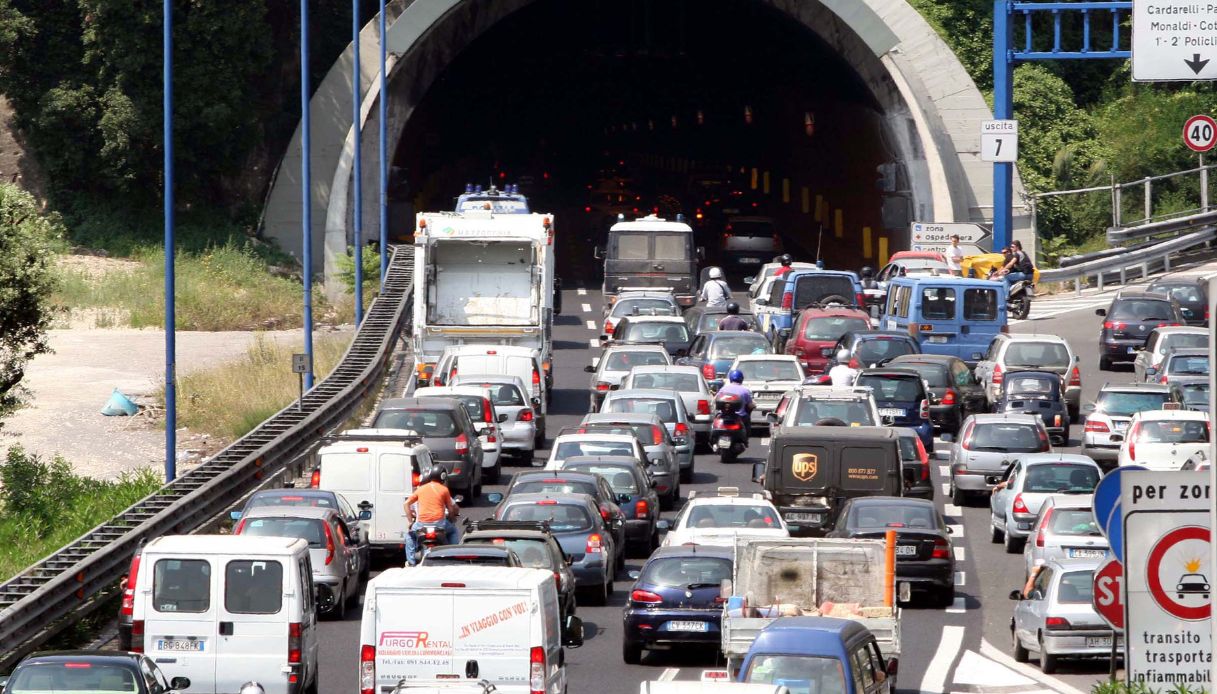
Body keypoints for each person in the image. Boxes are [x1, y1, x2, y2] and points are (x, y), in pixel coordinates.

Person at [404, 468, 460, 565]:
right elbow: (451, 509)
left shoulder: (420, 490)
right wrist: (452, 519)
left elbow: (406, 504)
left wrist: (409, 522)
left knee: (409, 536)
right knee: (453, 531)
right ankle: (454, 556)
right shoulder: (444, 490)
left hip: (421, 525)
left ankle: (411, 562)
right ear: (442, 477)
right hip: (440, 524)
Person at [717, 369, 756, 437]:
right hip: (740, 417)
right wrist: (754, 405)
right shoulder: (745, 391)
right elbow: (750, 406)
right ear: (741, 379)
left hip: (723, 416)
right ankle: (745, 438)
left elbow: (716, 399)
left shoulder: (723, 389)